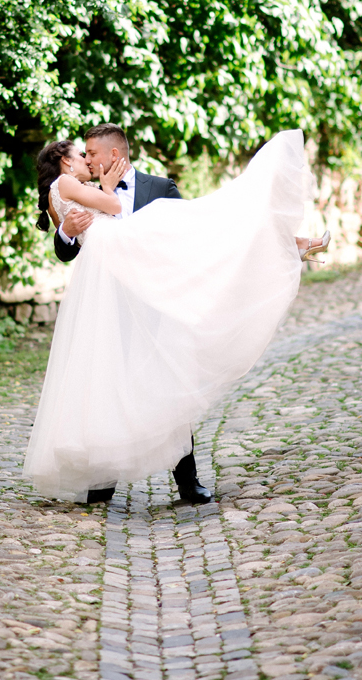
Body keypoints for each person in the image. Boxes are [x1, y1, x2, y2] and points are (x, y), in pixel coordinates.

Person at [23, 125, 328, 504]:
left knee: (167, 382)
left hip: (157, 303)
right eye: (82, 154)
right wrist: (66, 231)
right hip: (108, 303)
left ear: (114, 155)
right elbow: (66, 248)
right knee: (106, 383)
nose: (87, 159)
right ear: (67, 162)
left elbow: (195, 237)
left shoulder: (159, 188)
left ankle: (188, 481)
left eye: (92, 153)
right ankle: (101, 482)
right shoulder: (83, 190)